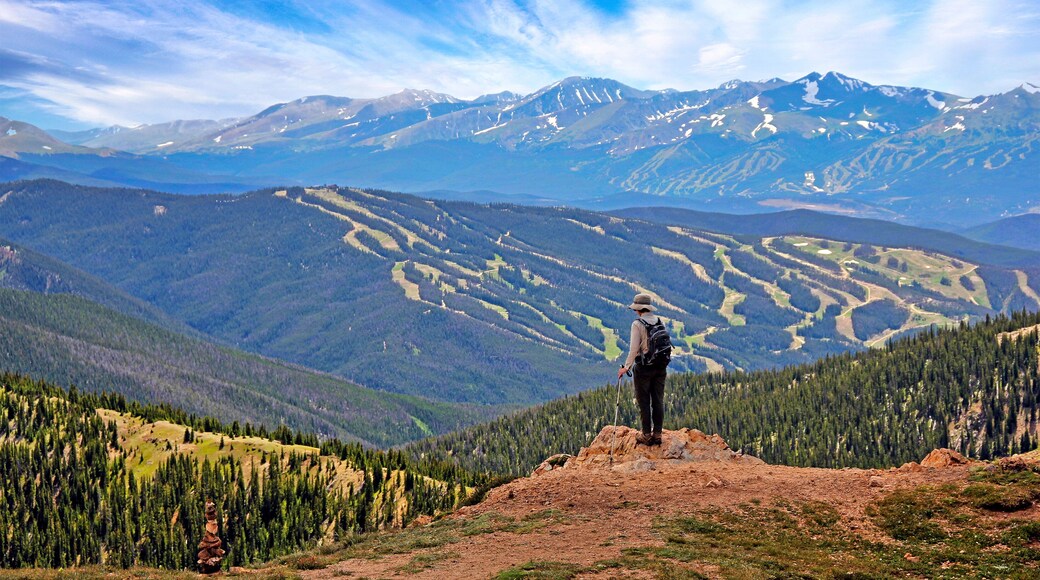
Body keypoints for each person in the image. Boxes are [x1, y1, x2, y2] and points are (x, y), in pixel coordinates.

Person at [617, 293, 668, 446]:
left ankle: (646, 434)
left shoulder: (637, 324)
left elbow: (633, 349)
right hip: (660, 366)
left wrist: (626, 367)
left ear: (639, 309)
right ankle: (658, 434)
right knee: (658, 400)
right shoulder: (660, 321)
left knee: (643, 400)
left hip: (644, 367)